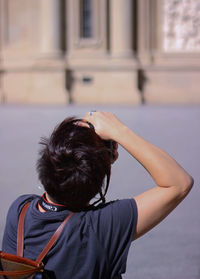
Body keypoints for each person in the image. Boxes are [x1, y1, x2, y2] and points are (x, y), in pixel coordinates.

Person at [2, 111, 193, 279]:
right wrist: (119, 131)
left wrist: (90, 158)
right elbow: (179, 183)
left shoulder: (20, 210)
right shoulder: (100, 226)